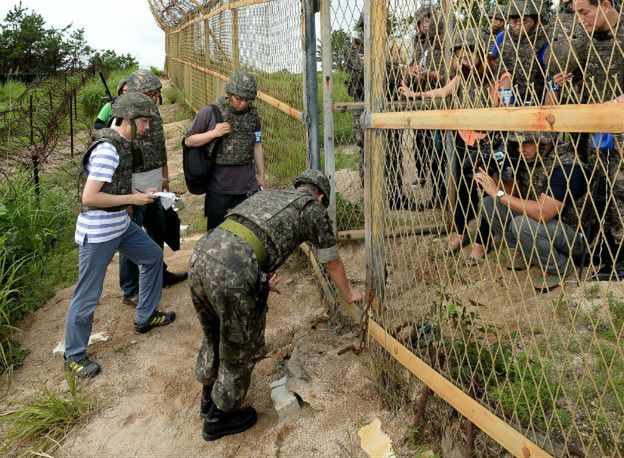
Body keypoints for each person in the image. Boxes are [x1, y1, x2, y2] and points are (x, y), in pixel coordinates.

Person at [189, 169, 363, 441]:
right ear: (320, 197)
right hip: (233, 272)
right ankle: (220, 417)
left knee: (213, 330)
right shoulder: (311, 209)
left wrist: (256, 278)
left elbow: (248, 234)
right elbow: (332, 261)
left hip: (202, 256)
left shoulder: (270, 195)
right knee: (238, 345)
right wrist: (349, 295)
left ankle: (208, 399)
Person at [63, 92, 176, 379]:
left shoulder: (124, 144)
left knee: (152, 256)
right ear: (128, 120)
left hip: (119, 225)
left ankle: (145, 316)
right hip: (99, 232)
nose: (148, 127)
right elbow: (90, 197)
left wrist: (141, 195)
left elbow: (113, 188)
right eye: (144, 121)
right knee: (88, 295)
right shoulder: (107, 150)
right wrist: (132, 200)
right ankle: (74, 355)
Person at [400, 28, 502, 253]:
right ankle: (461, 232)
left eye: (468, 51)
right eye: (458, 53)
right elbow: (443, 91)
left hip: (488, 141)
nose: (463, 56)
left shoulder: (496, 75)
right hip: (463, 139)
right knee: (463, 188)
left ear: (480, 51)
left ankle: (482, 241)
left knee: (487, 190)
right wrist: (415, 94)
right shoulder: (462, 76)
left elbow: (503, 107)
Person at [549, 0, 623, 279]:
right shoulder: (586, 42)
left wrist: (613, 105)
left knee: (621, 197)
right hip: (597, 138)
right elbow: (569, 77)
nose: (579, 18)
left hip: (619, 131)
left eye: (584, 11)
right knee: (601, 196)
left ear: (605, 4)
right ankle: (609, 260)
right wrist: (564, 81)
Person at [467, 133, 588, 291]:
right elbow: (514, 192)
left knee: (521, 224)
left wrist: (498, 193)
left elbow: (543, 212)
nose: (521, 149)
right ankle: (528, 252)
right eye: (518, 144)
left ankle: (558, 266)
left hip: (573, 235)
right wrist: (492, 175)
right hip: (545, 226)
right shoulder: (531, 159)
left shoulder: (567, 166)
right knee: (488, 204)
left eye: (527, 143)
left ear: (545, 140)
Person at [119, 69, 187, 307]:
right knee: (131, 236)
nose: (155, 97)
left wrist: (165, 178)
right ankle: (130, 289)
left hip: (155, 184)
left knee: (158, 230)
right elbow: (122, 159)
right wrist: (126, 197)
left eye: (156, 93)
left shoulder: (154, 114)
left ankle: (158, 274)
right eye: (150, 93)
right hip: (134, 188)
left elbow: (161, 148)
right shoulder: (124, 117)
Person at [184, 71, 266, 231]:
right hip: (220, 189)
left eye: (248, 100)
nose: (243, 104)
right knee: (217, 236)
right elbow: (189, 140)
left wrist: (261, 176)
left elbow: (257, 144)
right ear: (229, 94)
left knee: (249, 235)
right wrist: (214, 133)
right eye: (239, 99)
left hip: (248, 187)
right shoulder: (210, 112)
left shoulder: (253, 115)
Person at [490, 0, 549, 106]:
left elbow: (550, 73)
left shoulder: (542, 39)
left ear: (534, 21)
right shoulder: (502, 37)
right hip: (507, 96)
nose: (518, 26)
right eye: (514, 21)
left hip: (535, 100)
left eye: (524, 21)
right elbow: (493, 63)